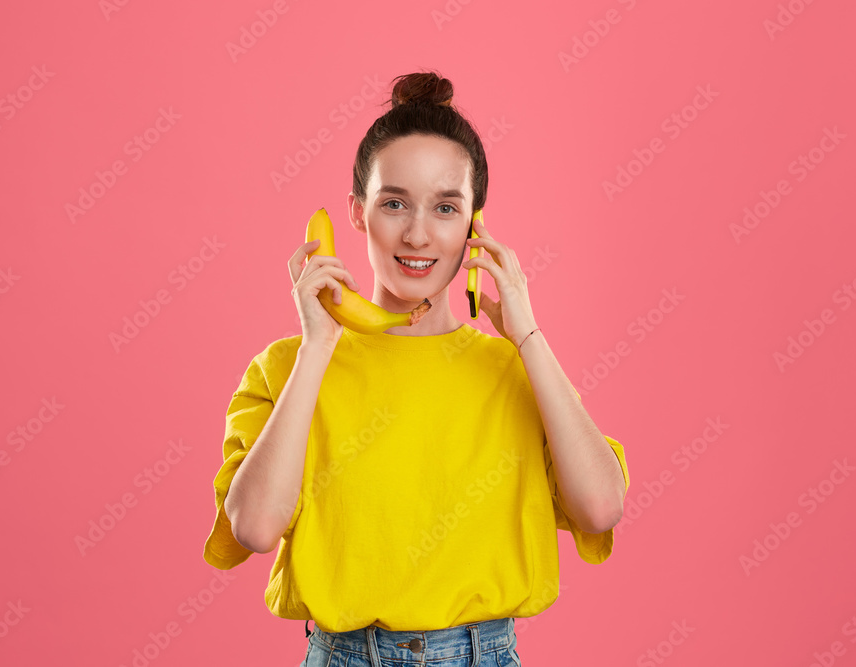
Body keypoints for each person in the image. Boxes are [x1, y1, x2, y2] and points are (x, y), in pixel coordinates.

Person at [203, 70, 631, 667]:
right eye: (394, 203)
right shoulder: (287, 367)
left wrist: (528, 335)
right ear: (357, 213)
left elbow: (601, 507)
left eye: (446, 207)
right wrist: (318, 347)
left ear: (475, 223)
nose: (418, 234)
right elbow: (253, 527)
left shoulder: (516, 370)